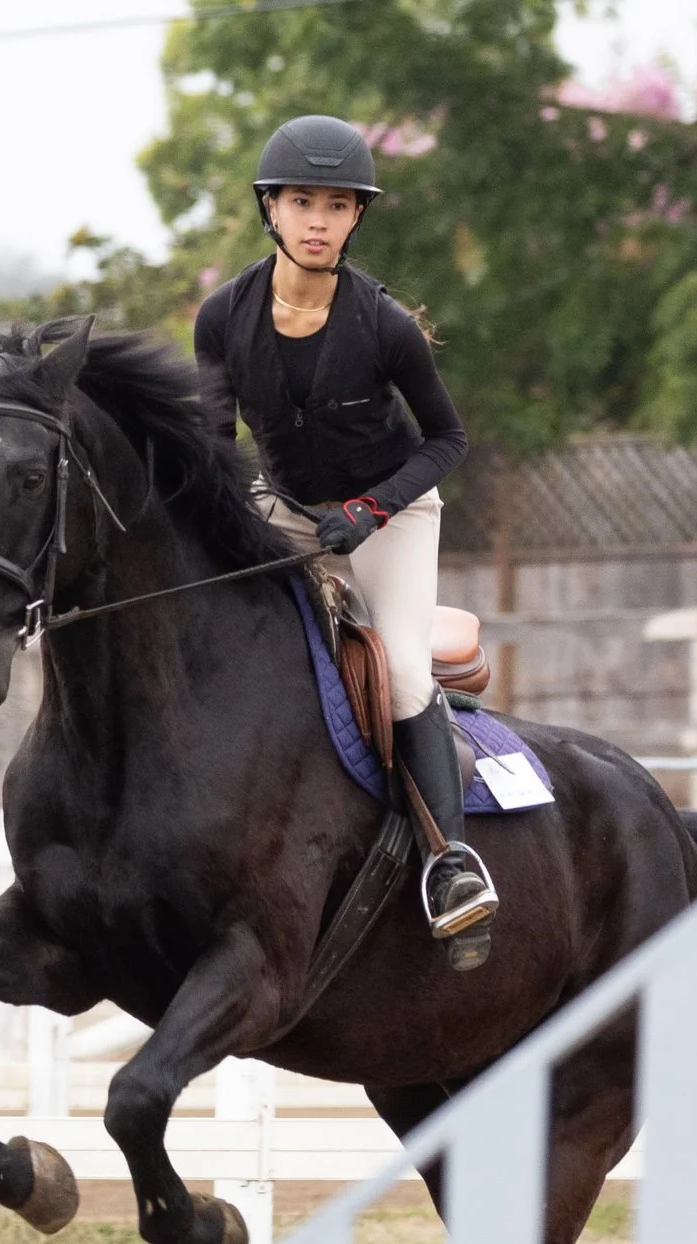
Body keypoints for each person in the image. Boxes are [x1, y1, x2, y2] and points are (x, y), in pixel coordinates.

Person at [193, 113, 495, 951]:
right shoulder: (222, 317)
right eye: (302, 202)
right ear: (271, 209)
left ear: (357, 217)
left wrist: (368, 512)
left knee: (399, 670)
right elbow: (216, 447)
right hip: (286, 510)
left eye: (337, 204)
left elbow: (448, 440)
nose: (318, 220)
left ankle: (453, 863)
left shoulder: (386, 326)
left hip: (388, 511)